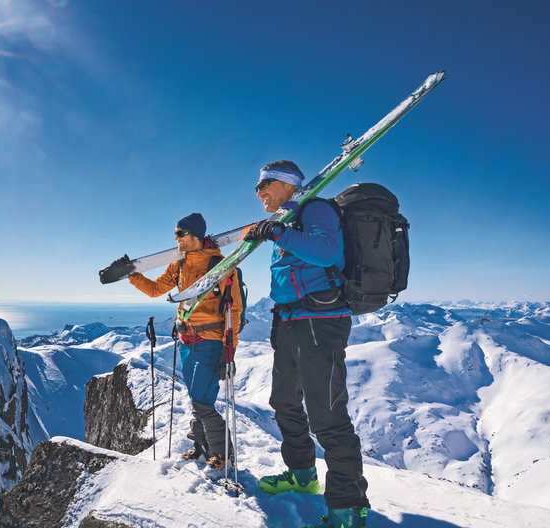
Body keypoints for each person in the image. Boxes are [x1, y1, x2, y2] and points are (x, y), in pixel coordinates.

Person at [245, 160, 371, 528]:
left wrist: (279, 234)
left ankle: (348, 510)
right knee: (284, 402)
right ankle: (301, 474)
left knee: (328, 416)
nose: (259, 192)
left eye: (264, 184)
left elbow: (327, 253)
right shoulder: (287, 220)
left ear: (287, 184)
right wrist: (276, 231)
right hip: (290, 321)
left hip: (320, 321)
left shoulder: (315, 209)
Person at [127, 212, 243, 471]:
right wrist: (133, 275)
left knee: (202, 400)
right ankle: (202, 447)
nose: (176, 239)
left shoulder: (222, 267)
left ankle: (224, 454)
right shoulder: (178, 265)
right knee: (196, 397)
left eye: (180, 233)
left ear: (195, 236)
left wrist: (229, 353)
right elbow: (156, 289)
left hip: (210, 341)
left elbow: (234, 312)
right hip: (186, 340)